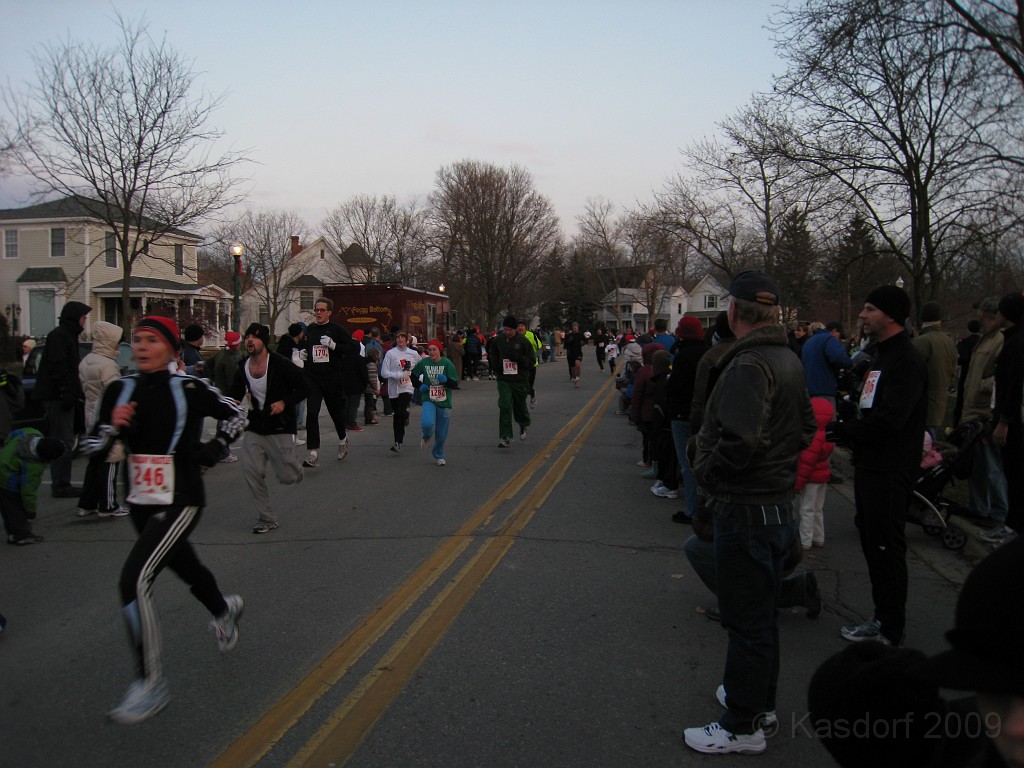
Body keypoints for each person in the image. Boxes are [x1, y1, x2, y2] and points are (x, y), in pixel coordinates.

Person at [82, 316, 248, 724]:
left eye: (152, 340)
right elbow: (90, 447)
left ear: (172, 350)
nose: (141, 346)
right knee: (185, 566)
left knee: (134, 580)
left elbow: (236, 414)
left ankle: (150, 682)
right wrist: (112, 429)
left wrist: (215, 448)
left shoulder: (189, 387)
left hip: (182, 498)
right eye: (137, 339)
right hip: (141, 500)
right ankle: (223, 609)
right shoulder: (119, 389)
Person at [683, 270, 815, 756]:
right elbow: (805, 428)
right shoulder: (787, 358)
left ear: (734, 310)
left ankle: (742, 725)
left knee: (746, 622)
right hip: (776, 504)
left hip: (747, 510)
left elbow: (739, 443)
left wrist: (706, 475)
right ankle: (758, 702)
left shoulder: (749, 364)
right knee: (760, 617)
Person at [827, 284, 927, 646]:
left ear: (891, 315)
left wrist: (848, 431)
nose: (862, 315)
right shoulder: (881, 355)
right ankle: (882, 617)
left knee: (886, 547)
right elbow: (871, 407)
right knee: (874, 545)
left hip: (890, 466)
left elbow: (891, 419)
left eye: (870, 309)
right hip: (871, 463)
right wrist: (849, 419)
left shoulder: (907, 359)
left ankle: (889, 628)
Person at [228, 323, 307, 535]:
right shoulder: (243, 366)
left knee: (287, 476)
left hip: (280, 425)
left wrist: (284, 402)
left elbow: (304, 387)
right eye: (247, 337)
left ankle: (295, 470)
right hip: (256, 426)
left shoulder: (280, 364)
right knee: (251, 471)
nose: (249, 341)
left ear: (263, 341)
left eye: (254, 337)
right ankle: (266, 518)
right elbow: (235, 394)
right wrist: (230, 404)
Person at [32, 300, 91, 497]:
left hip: (62, 395)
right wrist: (65, 391)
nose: (84, 321)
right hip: (56, 397)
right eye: (83, 318)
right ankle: (61, 484)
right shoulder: (60, 336)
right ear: (75, 317)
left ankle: (61, 482)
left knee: (63, 438)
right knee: (63, 440)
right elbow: (58, 366)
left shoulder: (67, 335)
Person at [961, 298, 1008, 534]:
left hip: (985, 413)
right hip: (972, 412)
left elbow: (1003, 377)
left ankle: (998, 513)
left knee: (992, 467)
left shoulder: (1001, 340)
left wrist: (982, 386)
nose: (981, 319)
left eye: (985, 315)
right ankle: (979, 508)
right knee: (978, 466)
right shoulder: (985, 339)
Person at [76, 320, 129, 518]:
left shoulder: (87, 360)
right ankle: (108, 504)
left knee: (95, 460)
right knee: (110, 458)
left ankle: (87, 503)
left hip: (90, 412)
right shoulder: (108, 366)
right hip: (107, 416)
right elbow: (114, 393)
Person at [301, 298, 354, 468]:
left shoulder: (337, 330)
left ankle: (343, 438)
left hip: (332, 378)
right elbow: (308, 347)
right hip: (313, 378)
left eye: (322, 310)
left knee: (335, 413)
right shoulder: (310, 329)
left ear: (329, 312)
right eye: (316, 310)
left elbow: (351, 349)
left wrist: (334, 346)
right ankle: (313, 453)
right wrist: (304, 354)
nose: (318, 313)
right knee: (312, 413)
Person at [988, 292, 1024, 543]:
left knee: (1015, 473)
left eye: (1000, 311)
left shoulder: (1017, 344)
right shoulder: (1012, 340)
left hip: (1014, 423)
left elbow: (1014, 386)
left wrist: (1004, 421)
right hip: (1009, 418)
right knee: (1012, 473)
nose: (997, 315)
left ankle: (1014, 527)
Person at [666, 316, 708, 522]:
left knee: (688, 463)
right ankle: (706, 506)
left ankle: (693, 510)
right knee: (703, 461)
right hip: (706, 414)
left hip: (683, 412)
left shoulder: (683, 356)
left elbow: (674, 386)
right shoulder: (708, 352)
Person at [0, 428, 66, 544]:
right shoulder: (32, 465)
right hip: (6, 479)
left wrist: (7, 449)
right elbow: (28, 491)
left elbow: (13, 435)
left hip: (3, 461)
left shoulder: (30, 432)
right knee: (16, 508)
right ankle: (21, 535)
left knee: (7, 508)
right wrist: (30, 510)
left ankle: (12, 532)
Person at [912, 301, 958, 436]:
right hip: (940, 401)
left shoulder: (921, 342)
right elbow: (953, 373)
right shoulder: (949, 342)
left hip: (922, 404)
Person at [796, 397, 835, 550]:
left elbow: (806, 463)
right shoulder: (827, 435)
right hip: (822, 476)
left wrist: (798, 484)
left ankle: (805, 539)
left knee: (807, 508)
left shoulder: (812, 437)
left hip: (811, 478)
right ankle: (818, 536)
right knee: (818, 508)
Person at [412, 339, 458, 466]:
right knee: (427, 423)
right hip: (429, 398)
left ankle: (439, 454)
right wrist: (420, 386)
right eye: (430, 350)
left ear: (439, 350)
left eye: (434, 350)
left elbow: (455, 384)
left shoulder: (447, 363)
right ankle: (426, 436)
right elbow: (413, 376)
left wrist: (446, 381)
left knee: (441, 433)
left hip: (444, 401)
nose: (432, 352)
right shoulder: (424, 363)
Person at [490, 316, 532, 447]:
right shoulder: (498, 340)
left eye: (510, 330)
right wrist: (495, 366)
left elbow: (531, 361)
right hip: (504, 379)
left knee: (519, 406)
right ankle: (506, 436)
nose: (507, 332)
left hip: (519, 379)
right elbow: (492, 354)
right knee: (505, 405)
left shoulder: (523, 341)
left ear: (515, 329)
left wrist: (519, 358)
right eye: (505, 329)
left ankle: (523, 423)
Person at [380, 330, 422, 453]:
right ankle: (397, 441)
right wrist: (398, 375)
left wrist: (420, 379)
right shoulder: (390, 354)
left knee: (401, 410)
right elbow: (384, 373)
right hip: (394, 388)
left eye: (402, 337)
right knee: (397, 415)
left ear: (407, 340)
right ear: (395, 340)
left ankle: (405, 414)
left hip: (407, 386)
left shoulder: (413, 354)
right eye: (398, 337)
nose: (400, 339)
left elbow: (422, 367)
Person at [801, 321, 853, 408]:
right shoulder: (829, 339)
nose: (839, 340)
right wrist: (852, 364)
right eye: (840, 336)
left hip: (808, 391)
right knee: (827, 416)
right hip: (824, 389)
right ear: (834, 331)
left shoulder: (808, 342)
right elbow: (838, 358)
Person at [517, 322, 541, 408]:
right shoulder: (515, 337)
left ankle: (532, 394)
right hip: (519, 365)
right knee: (521, 384)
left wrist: (534, 357)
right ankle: (521, 404)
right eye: (518, 326)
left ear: (525, 327)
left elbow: (539, 347)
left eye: (522, 326)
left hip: (531, 364)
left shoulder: (531, 335)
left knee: (528, 385)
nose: (520, 328)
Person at [563, 323, 585, 387]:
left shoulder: (581, 335)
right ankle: (575, 378)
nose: (575, 328)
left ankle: (577, 379)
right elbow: (564, 346)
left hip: (578, 353)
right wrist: (569, 341)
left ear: (578, 328)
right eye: (574, 327)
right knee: (572, 368)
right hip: (571, 353)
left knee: (577, 364)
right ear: (572, 328)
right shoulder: (568, 335)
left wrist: (583, 343)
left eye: (576, 327)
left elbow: (585, 341)